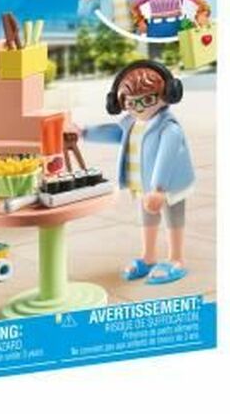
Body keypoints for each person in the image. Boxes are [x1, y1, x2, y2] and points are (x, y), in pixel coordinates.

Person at [73, 60, 194, 286]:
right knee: (147, 218)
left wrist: (159, 189)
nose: (138, 107)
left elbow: (166, 158)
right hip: (144, 184)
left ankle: (177, 259)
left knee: (173, 218)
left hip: (169, 185)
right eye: (130, 102)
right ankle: (148, 256)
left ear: (168, 94)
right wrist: (84, 133)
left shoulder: (169, 128)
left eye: (147, 100)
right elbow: (114, 133)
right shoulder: (132, 123)